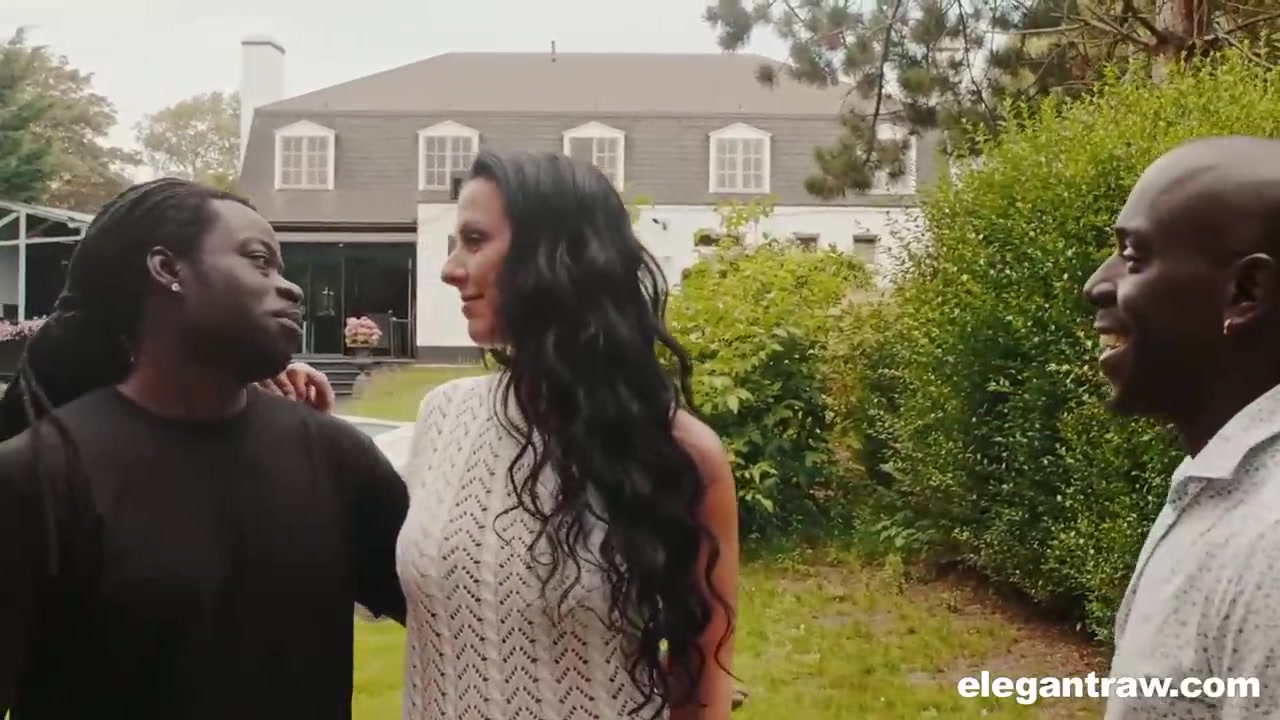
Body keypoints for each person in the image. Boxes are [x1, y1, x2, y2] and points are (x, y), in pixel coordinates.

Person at [0, 178, 408, 719]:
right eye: (259, 262)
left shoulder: (336, 458)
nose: (291, 288)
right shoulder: (37, 478)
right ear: (168, 269)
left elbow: (465, 606)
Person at [396, 150, 739, 719]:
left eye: (475, 241)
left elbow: (703, 682)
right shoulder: (443, 416)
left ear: (556, 255)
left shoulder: (679, 452)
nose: (450, 269)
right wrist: (302, 426)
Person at [1084, 135, 1280, 719]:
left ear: (1245, 293)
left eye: (1133, 257)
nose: (1096, 284)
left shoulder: (1271, 541)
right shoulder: (1223, 484)